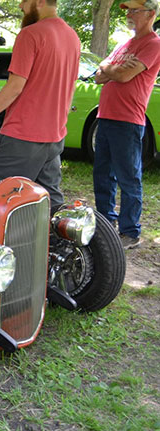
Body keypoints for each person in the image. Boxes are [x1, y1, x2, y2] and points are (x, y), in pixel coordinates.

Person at [0, 0, 80, 210]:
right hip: (54, 137)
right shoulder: (72, 36)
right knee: (49, 203)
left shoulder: (30, 34)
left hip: (22, 136)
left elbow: (15, 87)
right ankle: (54, 242)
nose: (21, 6)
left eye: (24, 1)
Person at [93, 0, 160, 250]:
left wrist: (113, 70)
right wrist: (113, 69)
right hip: (106, 116)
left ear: (151, 14)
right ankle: (105, 225)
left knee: (128, 178)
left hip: (128, 120)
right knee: (102, 175)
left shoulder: (154, 44)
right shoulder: (125, 45)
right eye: (128, 10)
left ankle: (130, 232)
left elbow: (121, 75)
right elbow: (99, 74)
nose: (129, 14)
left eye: (135, 10)